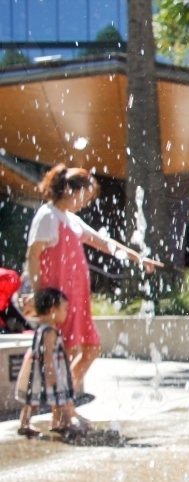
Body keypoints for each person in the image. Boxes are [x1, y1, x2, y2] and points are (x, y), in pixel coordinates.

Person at [25, 165, 159, 395]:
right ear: (68, 189)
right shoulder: (48, 216)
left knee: (92, 347)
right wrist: (40, 295)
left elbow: (104, 242)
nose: (85, 203)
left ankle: (66, 398)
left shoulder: (71, 220)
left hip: (76, 299)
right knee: (64, 351)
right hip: (57, 299)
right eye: (84, 196)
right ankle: (61, 412)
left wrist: (138, 258)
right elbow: (33, 255)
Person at [17, 288, 80, 439]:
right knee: (61, 399)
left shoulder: (41, 328)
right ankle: (65, 423)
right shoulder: (50, 331)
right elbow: (47, 355)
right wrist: (51, 373)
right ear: (52, 310)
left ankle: (24, 425)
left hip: (37, 372)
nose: (66, 312)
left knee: (32, 401)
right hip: (48, 371)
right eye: (64, 309)